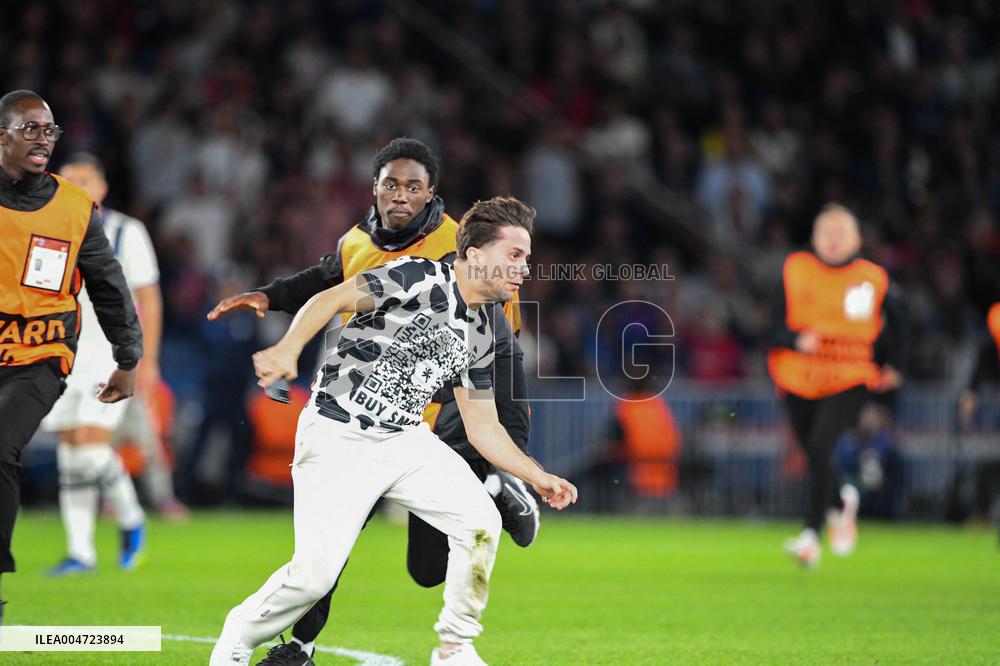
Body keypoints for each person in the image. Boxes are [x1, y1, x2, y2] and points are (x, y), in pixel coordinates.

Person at [208, 138, 537, 665]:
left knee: (477, 526)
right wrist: (283, 337)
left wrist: (535, 473)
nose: (522, 268)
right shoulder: (411, 269)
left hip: (410, 434)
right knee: (316, 572)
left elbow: (487, 414)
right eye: (391, 185)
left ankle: (455, 647)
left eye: (413, 186)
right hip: (340, 431)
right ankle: (247, 638)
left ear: (432, 194)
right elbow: (325, 289)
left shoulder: (481, 311)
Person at [0, 90, 142, 619]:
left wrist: (128, 359)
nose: (43, 139)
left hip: (41, 354)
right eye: (30, 129)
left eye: (49, 130)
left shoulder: (75, 208)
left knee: (2, 445)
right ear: (2, 136)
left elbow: (109, 284)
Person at [42, 153, 170, 575]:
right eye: (69, 179)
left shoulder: (125, 232)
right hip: (59, 351)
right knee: (69, 451)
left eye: (85, 179)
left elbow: (148, 296)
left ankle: (131, 518)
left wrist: (145, 359)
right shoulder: (45, 230)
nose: (77, 186)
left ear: (102, 187)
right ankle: (81, 552)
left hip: (110, 353)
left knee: (92, 449)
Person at [768, 203, 907, 568]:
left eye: (840, 233)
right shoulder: (795, 269)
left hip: (850, 374)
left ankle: (811, 536)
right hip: (798, 374)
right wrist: (794, 339)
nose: (831, 240)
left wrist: (895, 364)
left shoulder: (873, 277)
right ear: (813, 237)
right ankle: (840, 504)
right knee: (810, 447)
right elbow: (770, 324)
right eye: (825, 233)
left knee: (819, 446)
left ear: (857, 239)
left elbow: (901, 320)